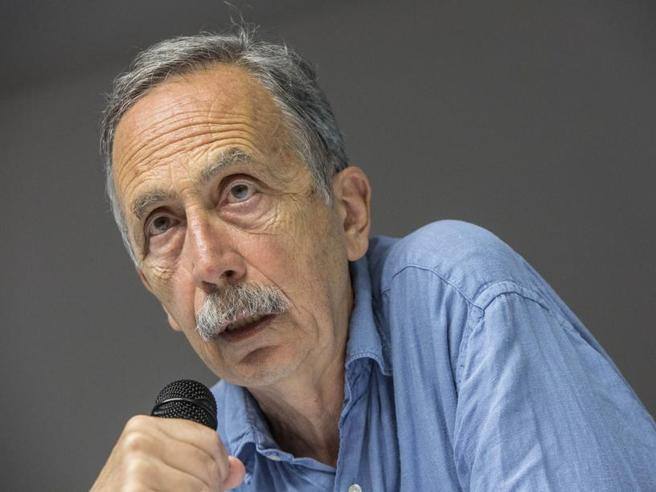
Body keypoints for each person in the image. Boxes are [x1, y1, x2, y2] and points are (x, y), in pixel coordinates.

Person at [92, 28, 656, 491]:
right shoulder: (193, 472)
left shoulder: (462, 300)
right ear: (156, 291)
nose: (210, 264)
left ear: (348, 215)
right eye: (162, 224)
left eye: (240, 191)